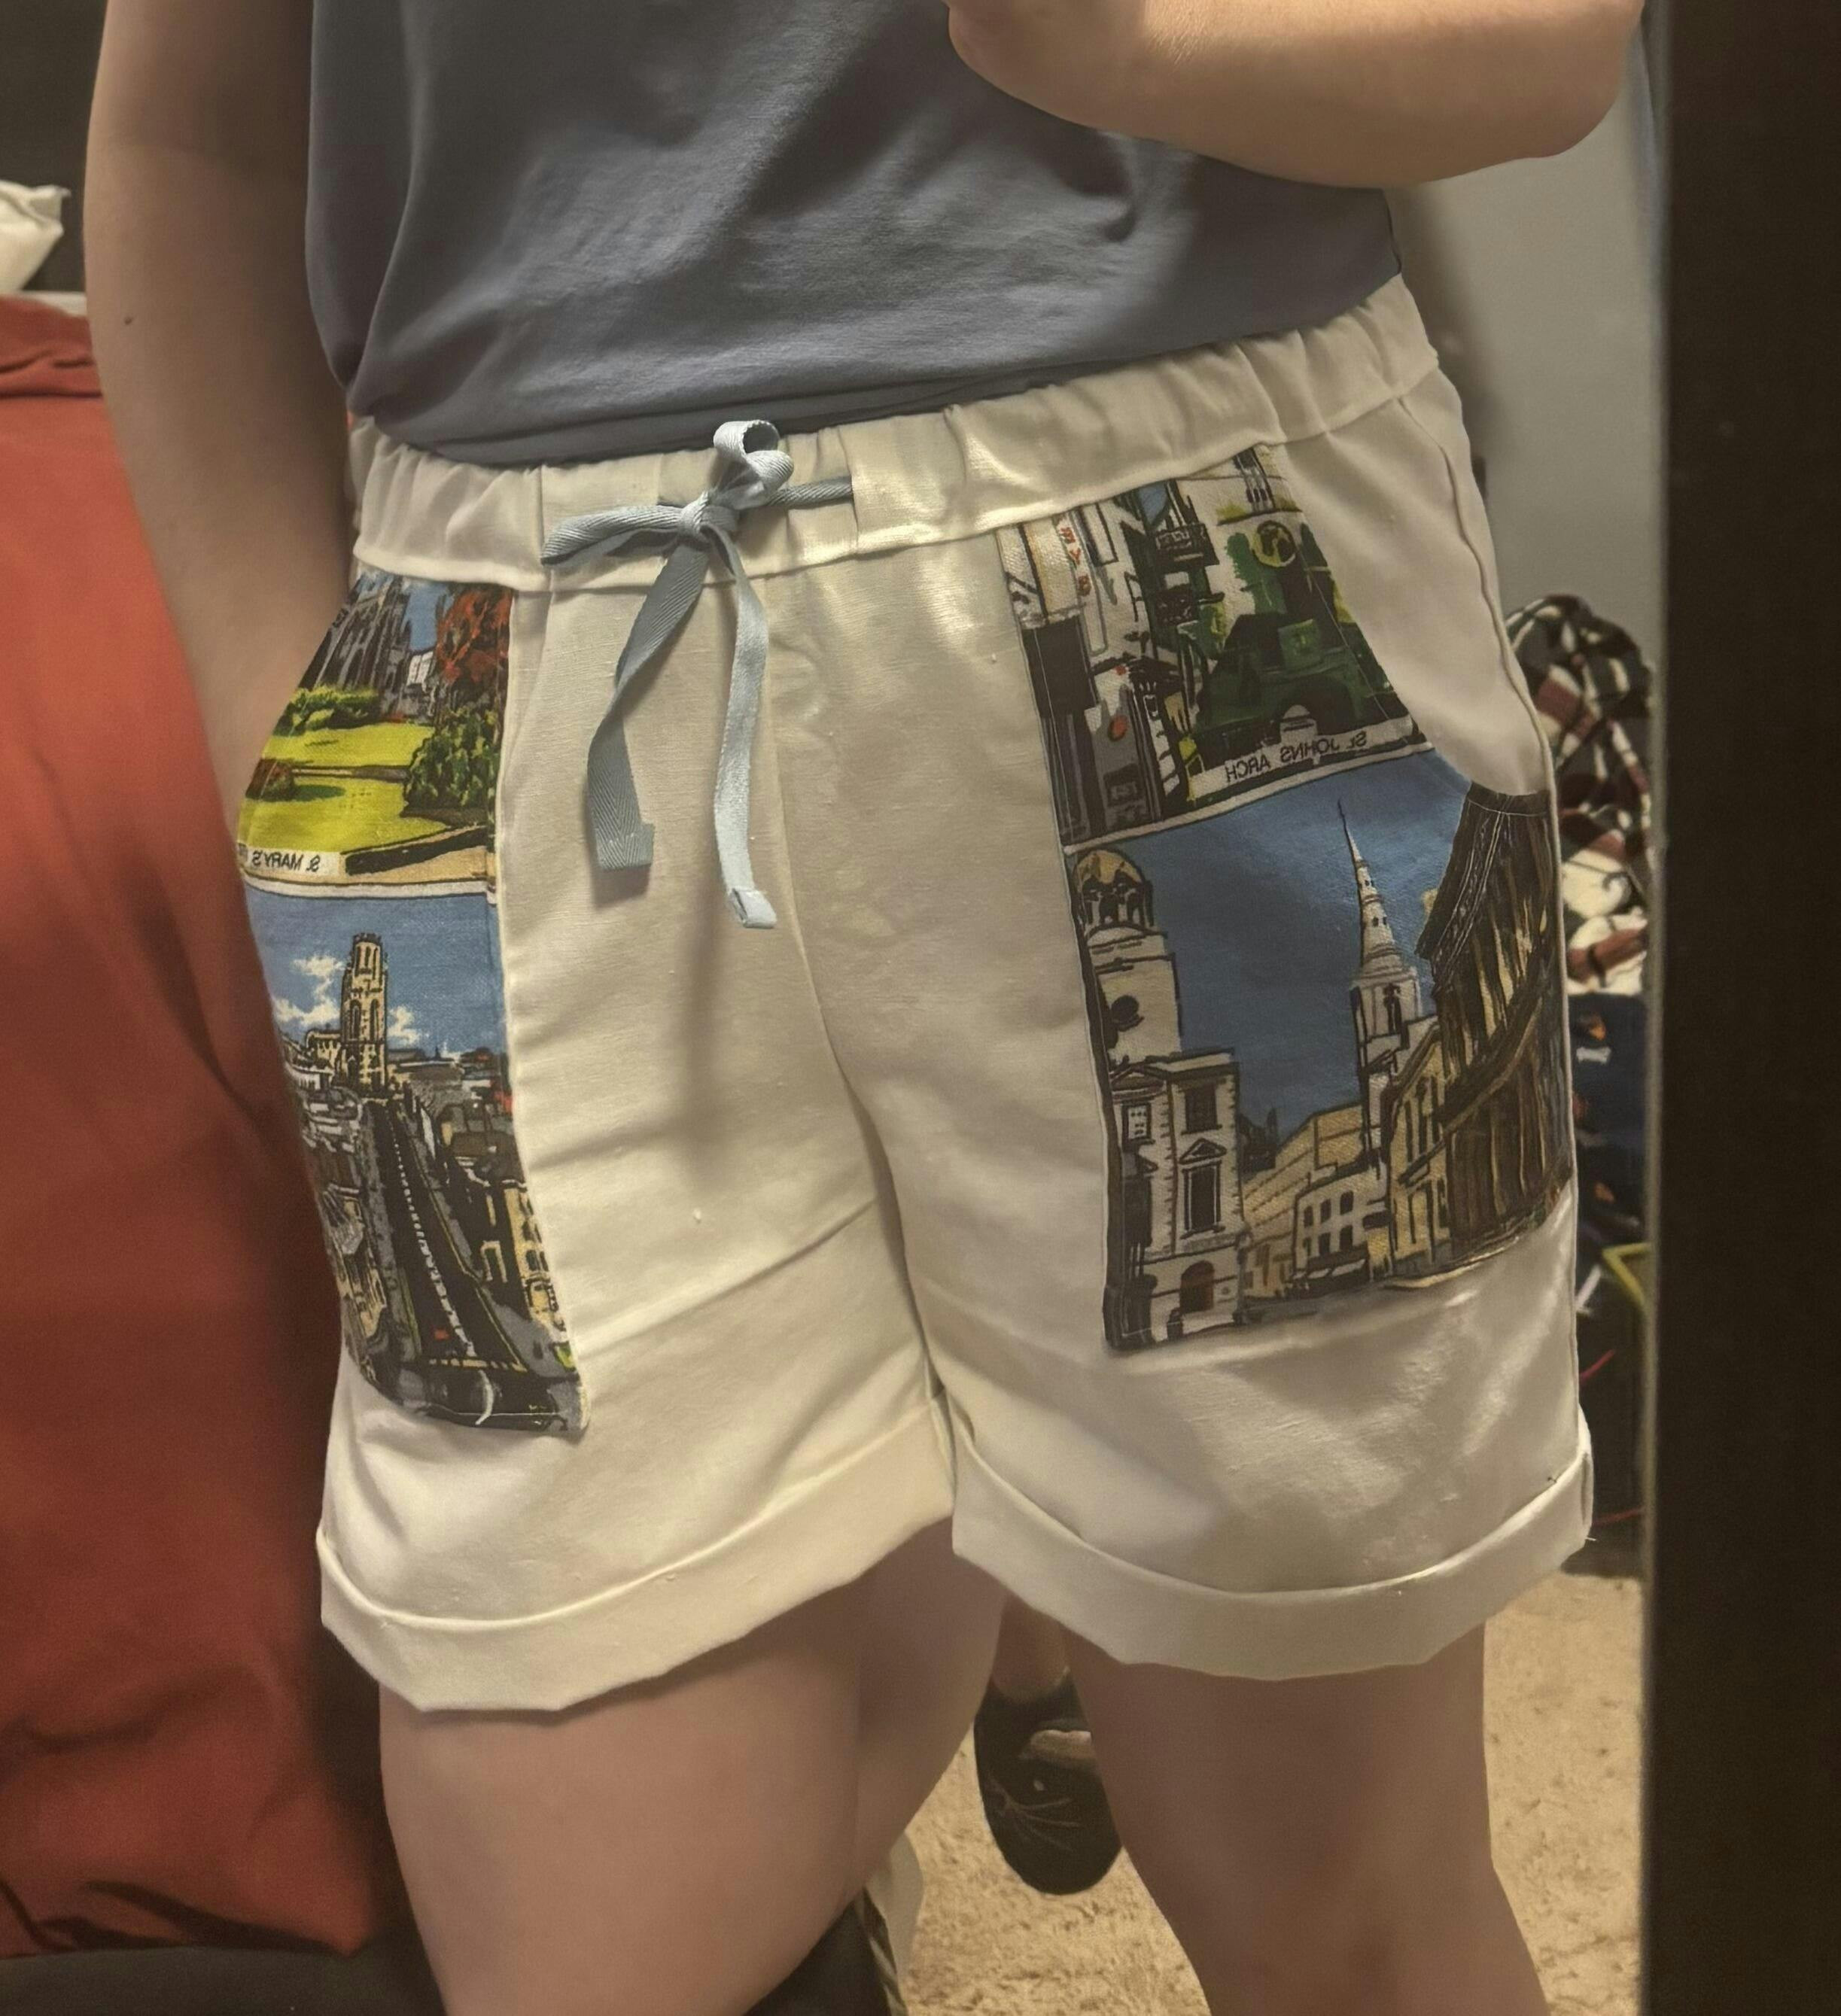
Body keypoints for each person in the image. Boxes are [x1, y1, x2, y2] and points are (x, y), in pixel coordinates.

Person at [86, 4, 1639, 2012]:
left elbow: (1545, 48)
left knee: (1344, 1916)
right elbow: (193, 142)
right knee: (584, 1953)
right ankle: (1015, 1572)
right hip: (504, 671)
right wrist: (307, 799)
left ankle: (1030, 1568)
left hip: (1197, 589)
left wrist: (1110, 42)